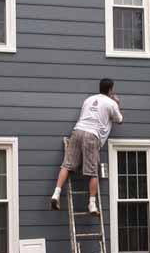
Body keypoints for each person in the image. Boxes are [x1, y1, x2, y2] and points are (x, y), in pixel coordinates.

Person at [51, 79, 123, 214]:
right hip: (92, 136)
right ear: (110, 90)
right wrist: (117, 104)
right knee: (92, 172)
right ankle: (92, 204)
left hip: (77, 131)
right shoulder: (112, 103)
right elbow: (120, 120)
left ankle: (56, 194)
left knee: (66, 165)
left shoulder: (88, 99)